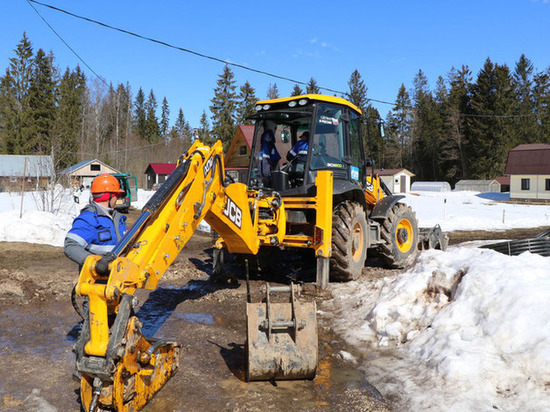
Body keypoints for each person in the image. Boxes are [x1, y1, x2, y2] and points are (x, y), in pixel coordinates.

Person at [64, 174, 128, 268]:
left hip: (120, 276)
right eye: (116, 195)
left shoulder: (117, 218)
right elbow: (70, 246)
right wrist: (95, 264)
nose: (117, 198)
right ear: (108, 196)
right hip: (98, 279)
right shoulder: (88, 219)